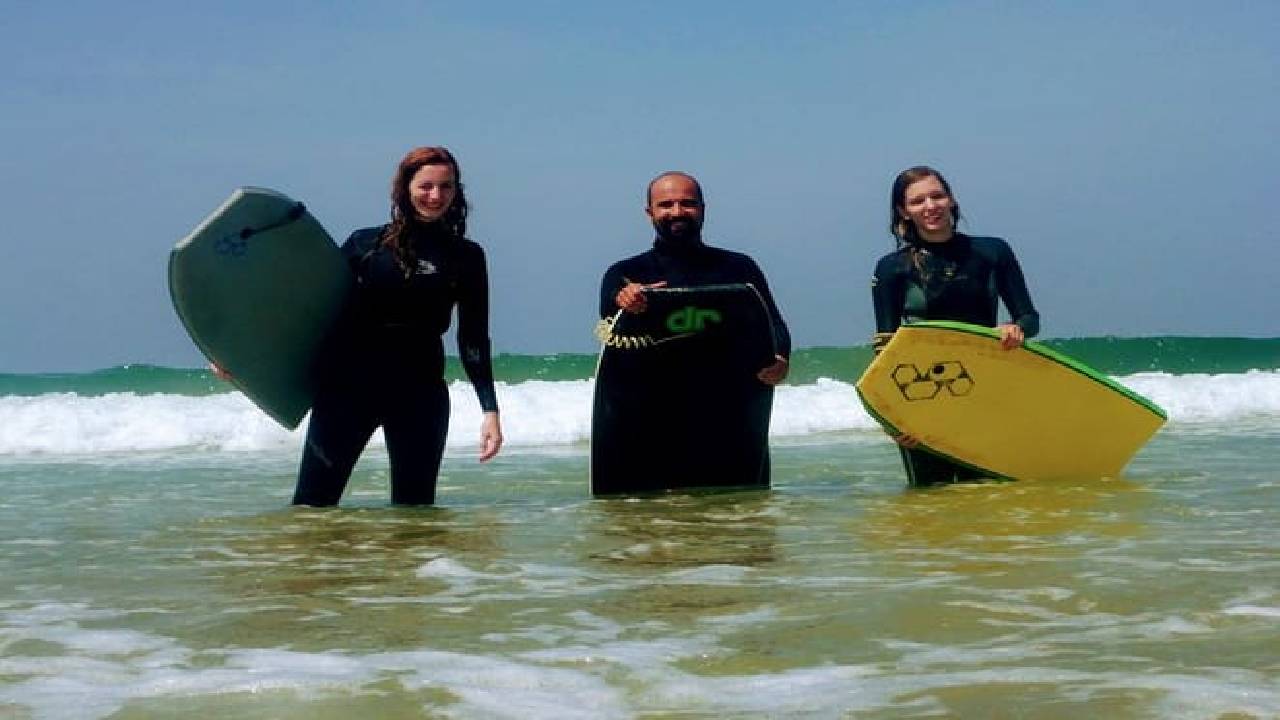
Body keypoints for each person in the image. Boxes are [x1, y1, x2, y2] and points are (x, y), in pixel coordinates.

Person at [215, 146, 503, 506]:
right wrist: (243, 358)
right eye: (426, 185)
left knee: (414, 515)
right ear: (405, 188)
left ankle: (403, 566)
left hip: (419, 395)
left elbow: (473, 338)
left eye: (446, 187)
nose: (436, 196)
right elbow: (308, 309)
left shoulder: (466, 257)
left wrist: (489, 410)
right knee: (312, 507)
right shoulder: (365, 245)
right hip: (347, 392)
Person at [870, 165, 1040, 487]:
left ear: (951, 199)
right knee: (929, 499)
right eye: (918, 201)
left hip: (985, 388)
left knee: (987, 491)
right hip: (921, 394)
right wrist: (892, 418)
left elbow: (1029, 318)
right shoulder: (892, 268)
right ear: (903, 212)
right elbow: (885, 349)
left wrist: (1016, 329)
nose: (930, 206)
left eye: (937, 196)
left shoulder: (992, 252)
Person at [600, 171, 791, 384]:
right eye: (665, 205)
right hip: (649, 398)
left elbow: (772, 321)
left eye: (688, 203)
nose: (677, 212)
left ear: (702, 209)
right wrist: (624, 299)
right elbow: (609, 313)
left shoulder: (739, 268)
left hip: (725, 396)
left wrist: (781, 358)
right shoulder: (625, 273)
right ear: (650, 212)